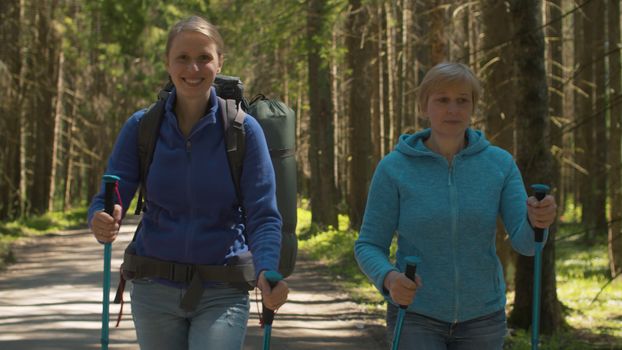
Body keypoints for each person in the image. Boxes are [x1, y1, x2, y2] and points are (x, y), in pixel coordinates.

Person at [87, 16, 288, 350]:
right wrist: (100, 218)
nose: (193, 68)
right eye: (182, 57)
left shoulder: (243, 131)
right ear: (167, 63)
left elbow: (263, 214)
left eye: (204, 57)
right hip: (154, 288)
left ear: (219, 62)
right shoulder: (142, 127)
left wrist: (268, 269)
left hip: (222, 288)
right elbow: (110, 195)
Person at [354, 62, 557, 349]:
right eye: (442, 100)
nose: (453, 109)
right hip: (415, 315)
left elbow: (527, 243)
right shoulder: (394, 168)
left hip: (484, 317)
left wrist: (540, 220)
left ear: (473, 107)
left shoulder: (499, 164)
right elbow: (368, 245)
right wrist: (389, 278)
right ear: (424, 106)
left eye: (462, 100)